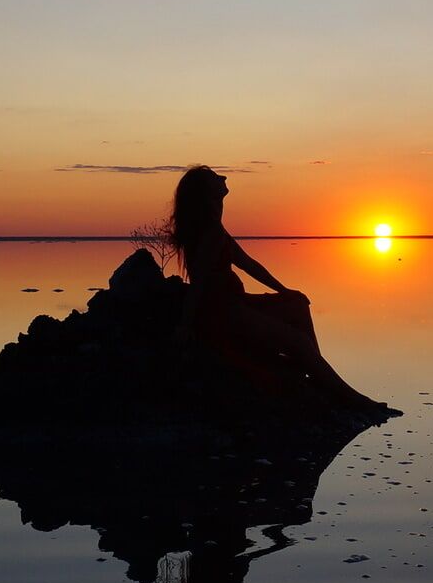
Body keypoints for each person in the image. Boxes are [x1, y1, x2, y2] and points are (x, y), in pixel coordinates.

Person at [169, 165, 394, 413]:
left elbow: (249, 265)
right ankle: (354, 400)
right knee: (297, 342)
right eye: (215, 177)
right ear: (206, 192)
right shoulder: (209, 232)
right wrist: (185, 325)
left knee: (297, 304)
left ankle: (319, 378)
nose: (223, 177)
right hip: (224, 312)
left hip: (236, 302)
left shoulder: (215, 228)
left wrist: (284, 291)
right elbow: (199, 283)